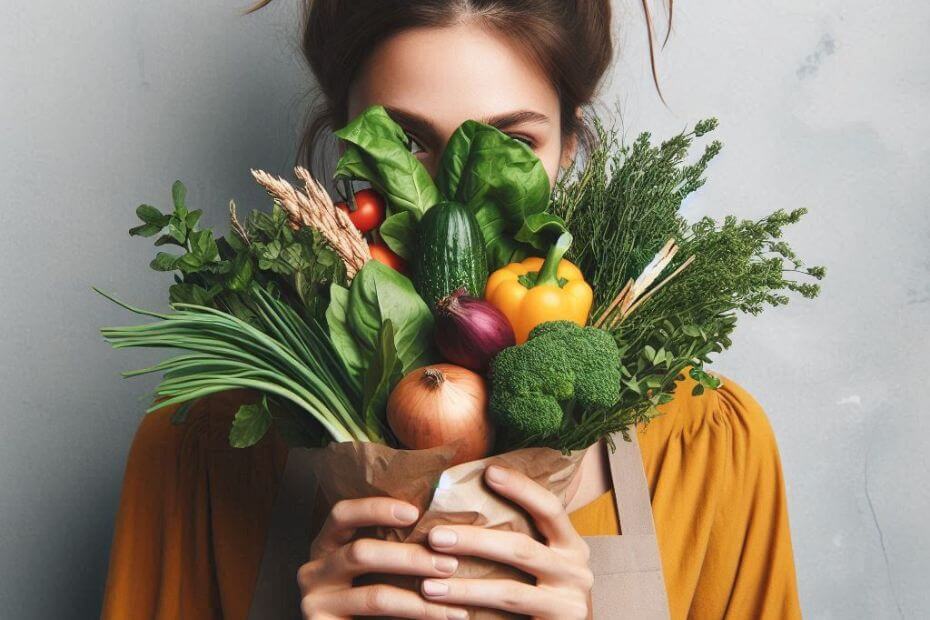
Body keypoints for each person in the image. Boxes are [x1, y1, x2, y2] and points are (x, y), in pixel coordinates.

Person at [101, 1, 802, 618]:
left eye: (514, 144)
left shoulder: (707, 448)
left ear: (571, 148)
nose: (450, 215)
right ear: (342, 140)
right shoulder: (202, 451)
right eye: (405, 143)